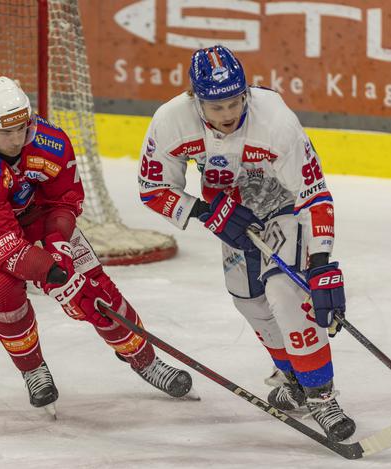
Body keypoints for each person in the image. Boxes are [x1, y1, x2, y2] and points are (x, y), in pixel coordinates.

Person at [0, 76, 193, 414]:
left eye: (21, 128)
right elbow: (5, 247)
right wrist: (53, 274)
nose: (15, 139)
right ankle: (32, 368)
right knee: (2, 287)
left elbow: (63, 202)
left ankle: (145, 360)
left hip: (29, 209)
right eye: (5, 132)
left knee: (95, 290)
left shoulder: (50, 141)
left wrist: (59, 248)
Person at [137, 45, 354, 441]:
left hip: (283, 206)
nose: (228, 114)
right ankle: (295, 380)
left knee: (286, 292)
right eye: (216, 107)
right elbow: (153, 188)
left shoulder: (275, 121)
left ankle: (322, 395)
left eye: (235, 102)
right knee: (249, 300)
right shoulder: (170, 121)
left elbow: (313, 193)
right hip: (230, 214)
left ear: (246, 93)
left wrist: (320, 262)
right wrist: (205, 212)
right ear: (195, 99)